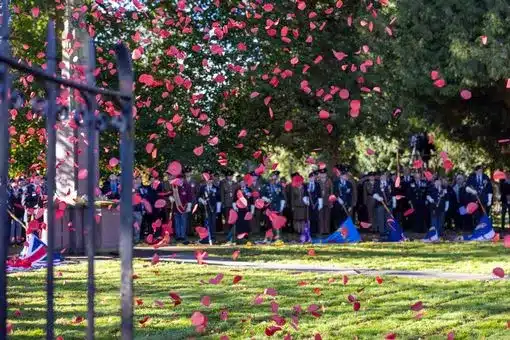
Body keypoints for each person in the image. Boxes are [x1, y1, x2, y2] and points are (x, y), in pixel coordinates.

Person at [261, 170, 286, 241]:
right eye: (274, 177)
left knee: (277, 222)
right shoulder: (266, 185)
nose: (275, 179)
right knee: (269, 223)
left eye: (276, 177)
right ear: (271, 177)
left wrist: (281, 205)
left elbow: (282, 197)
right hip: (269, 207)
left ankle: (277, 238)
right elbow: (262, 195)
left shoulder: (279, 186)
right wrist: (267, 199)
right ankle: (269, 237)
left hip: (277, 207)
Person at [198, 170, 221, 244]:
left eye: (211, 180)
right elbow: (198, 197)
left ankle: (213, 237)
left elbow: (219, 200)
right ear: (206, 180)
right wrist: (202, 201)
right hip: (205, 208)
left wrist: (218, 210)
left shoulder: (216, 188)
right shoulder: (202, 187)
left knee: (213, 222)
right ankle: (206, 237)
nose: (209, 182)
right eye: (208, 180)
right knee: (206, 222)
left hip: (213, 208)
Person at [423, 177, 449, 241]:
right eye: (436, 181)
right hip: (433, 209)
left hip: (442, 209)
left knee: (441, 223)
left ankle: (440, 235)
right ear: (434, 182)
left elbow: (447, 199)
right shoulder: (431, 189)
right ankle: (434, 236)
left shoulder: (444, 189)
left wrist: (447, 206)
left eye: (439, 181)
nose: (438, 183)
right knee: (434, 223)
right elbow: (427, 196)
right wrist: (430, 199)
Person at [170, 175, 193, 244]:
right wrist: (170, 197)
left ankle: (183, 236)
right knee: (177, 222)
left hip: (184, 207)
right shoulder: (174, 186)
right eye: (178, 179)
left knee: (183, 222)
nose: (180, 180)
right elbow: (170, 193)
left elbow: (190, 196)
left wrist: (189, 205)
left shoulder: (187, 186)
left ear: (183, 179)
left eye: (181, 178)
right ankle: (178, 236)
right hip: (176, 207)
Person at [372, 172, 392, 236]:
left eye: (385, 176)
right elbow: (373, 193)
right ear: (380, 177)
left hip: (389, 203)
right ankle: (382, 232)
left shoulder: (390, 183)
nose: (383, 177)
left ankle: (389, 231)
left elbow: (393, 192)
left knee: (388, 218)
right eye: (382, 176)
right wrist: (377, 197)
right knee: (380, 218)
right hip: (380, 203)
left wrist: (393, 201)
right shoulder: (377, 183)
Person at [220, 169, 238, 237]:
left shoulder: (235, 184)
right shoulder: (223, 184)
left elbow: (237, 194)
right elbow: (222, 194)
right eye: (228, 176)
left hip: (234, 203)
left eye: (231, 176)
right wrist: (223, 203)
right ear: (226, 177)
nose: (230, 177)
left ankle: (233, 231)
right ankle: (227, 231)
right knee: (227, 217)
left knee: (234, 217)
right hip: (227, 203)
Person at [318, 168, 333, 235]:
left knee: (327, 216)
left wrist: (331, 202)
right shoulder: (317, 181)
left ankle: (327, 230)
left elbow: (331, 192)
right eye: (321, 174)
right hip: (320, 201)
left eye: (324, 174)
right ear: (320, 174)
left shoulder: (329, 181)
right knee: (320, 216)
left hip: (327, 201)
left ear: (326, 174)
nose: (323, 175)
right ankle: (321, 230)